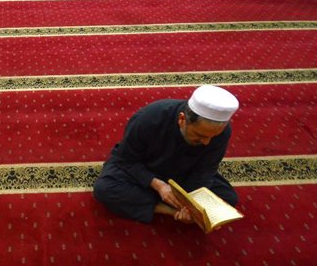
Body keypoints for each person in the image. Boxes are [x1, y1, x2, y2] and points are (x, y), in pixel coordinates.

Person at [93, 85, 239, 225]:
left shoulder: (222, 132)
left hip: (184, 175)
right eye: (200, 135)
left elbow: (206, 170)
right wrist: (159, 185)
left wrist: (190, 203)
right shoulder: (150, 118)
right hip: (145, 169)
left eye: (212, 137)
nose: (207, 142)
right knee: (105, 188)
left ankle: (170, 206)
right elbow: (126, 159)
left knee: (228, 199)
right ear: (182, 119)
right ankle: (167, 210)